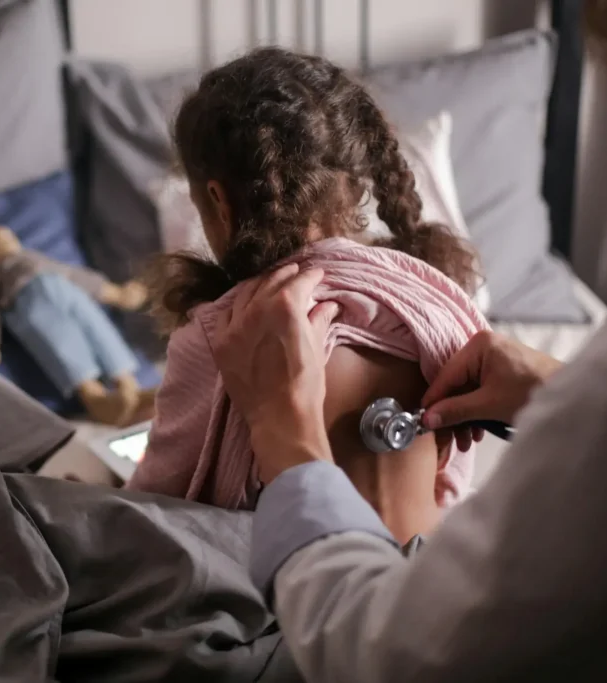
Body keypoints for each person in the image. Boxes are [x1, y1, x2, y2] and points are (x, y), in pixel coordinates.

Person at [211, 5, 607, 679]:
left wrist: (290, 444)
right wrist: (569, 393)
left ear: (216, 204)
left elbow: (392, 656)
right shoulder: (450, 309)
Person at [126, 48, 490, 544]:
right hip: (426, 579)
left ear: (218, 201)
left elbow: (157, 506)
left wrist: (103, 509)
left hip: (298, 601)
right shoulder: (437, 303)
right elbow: (450, 483)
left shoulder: (223, 335)